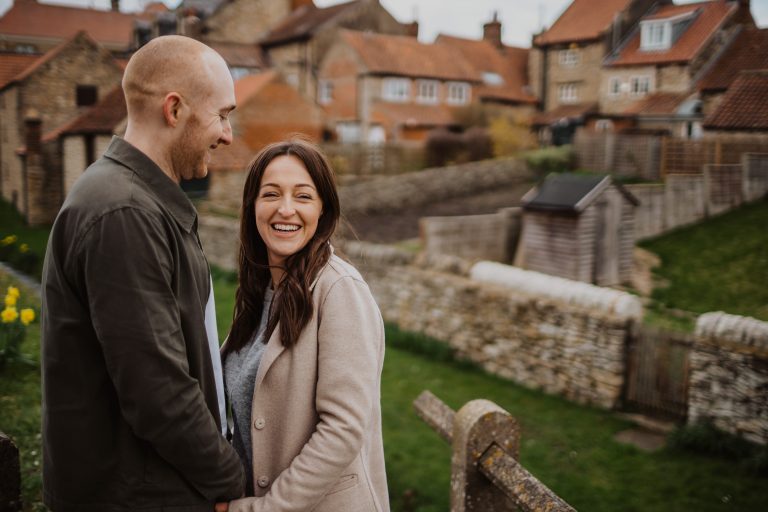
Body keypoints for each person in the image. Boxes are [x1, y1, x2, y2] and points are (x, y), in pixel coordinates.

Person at [41, 35, 245, 511]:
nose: (228, 135)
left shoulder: (138, 198)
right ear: (174, 110)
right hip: (136, 495)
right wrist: (232, 480)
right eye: (223, 115)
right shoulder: (124, 212)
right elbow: (159, 394)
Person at [222, 139, 389, 512]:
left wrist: (265, 509)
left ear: (322, 210)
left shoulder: (339, 289)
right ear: (252, 207)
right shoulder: (260, 291)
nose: (286, 209)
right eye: (271, 194)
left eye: (303, 196)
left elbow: (343, 429)